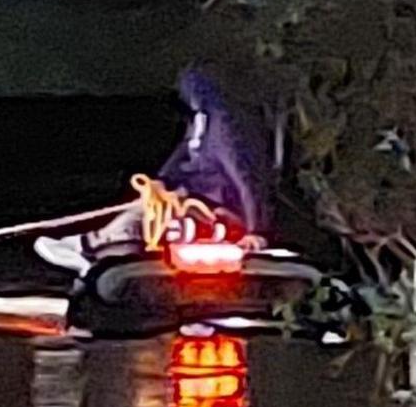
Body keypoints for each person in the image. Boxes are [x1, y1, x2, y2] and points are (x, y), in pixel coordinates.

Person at [35, 66, 273, 273]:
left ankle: (91, 247)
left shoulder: (226, 126)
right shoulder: (201, 121)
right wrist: (162, 182)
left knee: (145, 219)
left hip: (215, 207)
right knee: (146, 210)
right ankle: (96, 250)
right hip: (191, 195)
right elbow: (183, 154)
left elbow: (246, 176)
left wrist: (256, 229)